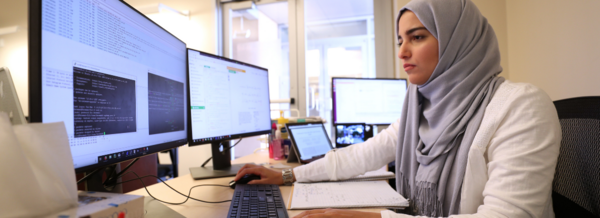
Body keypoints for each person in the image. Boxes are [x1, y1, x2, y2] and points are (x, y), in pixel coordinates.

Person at [234, 0, 561, 217]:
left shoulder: (521, 107)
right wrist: (287, 174)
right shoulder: (420, 111)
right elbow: (363, 155)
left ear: (457, 42)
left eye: (416, 37)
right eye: (399, 40)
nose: (403, 52)